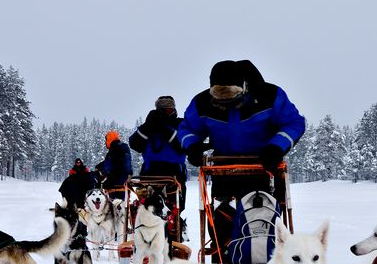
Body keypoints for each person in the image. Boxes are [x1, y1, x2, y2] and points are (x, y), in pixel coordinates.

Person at [178, 59, 306, 187]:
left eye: (231, 94)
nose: (226, 101)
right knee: (222, 206)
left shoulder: (269, 96)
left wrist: (277, 146)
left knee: (266, 205)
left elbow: (294, 123)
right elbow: (188, 128)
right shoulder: (202, 103)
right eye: (219, 96)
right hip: (223, 169)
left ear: (245, 86)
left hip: (265, 164)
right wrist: (192, 146)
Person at [129, 95, 188, 211]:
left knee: (175, 209)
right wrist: (147, 126)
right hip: (150, 173)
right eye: (163, 110)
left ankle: (175, 226)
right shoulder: (150, 125)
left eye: (169, 109)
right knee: (146, 208)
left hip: (174, 174)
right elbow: (134, 144)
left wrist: (165, 128)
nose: (167, 113)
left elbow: (183, 146)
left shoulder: (180, 124)